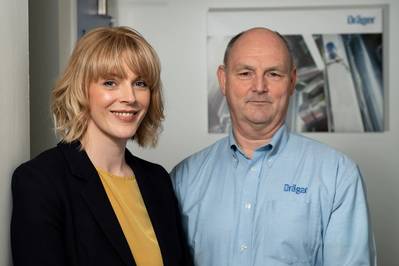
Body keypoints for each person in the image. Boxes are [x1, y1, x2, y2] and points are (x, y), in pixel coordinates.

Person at [170, 27, 376, 266]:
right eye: (245, 73)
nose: (259, 86)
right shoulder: (184, 178)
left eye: (274, 74)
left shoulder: (338, 175)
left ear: (292, 81)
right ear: (224, 80)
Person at [11, 26, 192, 266]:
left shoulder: (157, 180)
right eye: (110, 82)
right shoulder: (41, 181)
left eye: (140, 83)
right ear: (81, 90)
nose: (130, 97)